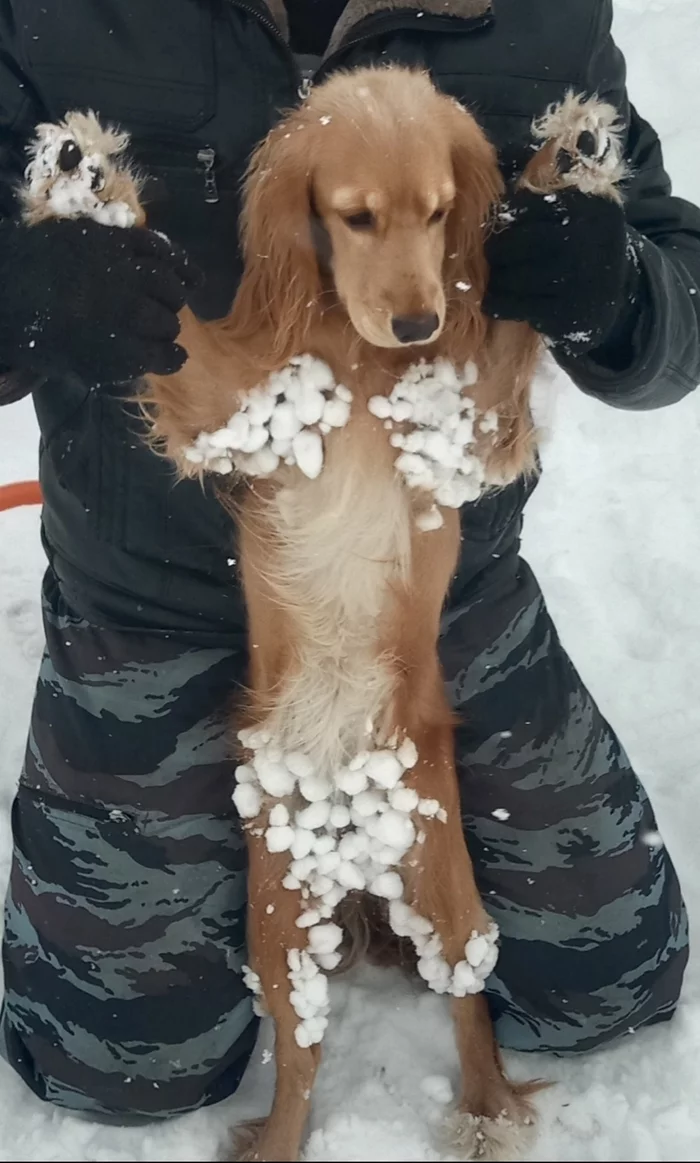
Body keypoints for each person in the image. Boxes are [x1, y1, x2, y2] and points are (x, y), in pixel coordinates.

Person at [0, 0, 694, 1124]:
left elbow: (682, 294)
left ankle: (341, 876)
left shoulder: (539, 17)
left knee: (611, 984)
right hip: (150, 599)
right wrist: (16, 287)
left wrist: (624, 292)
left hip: (437, 597)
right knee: (112, 1069)